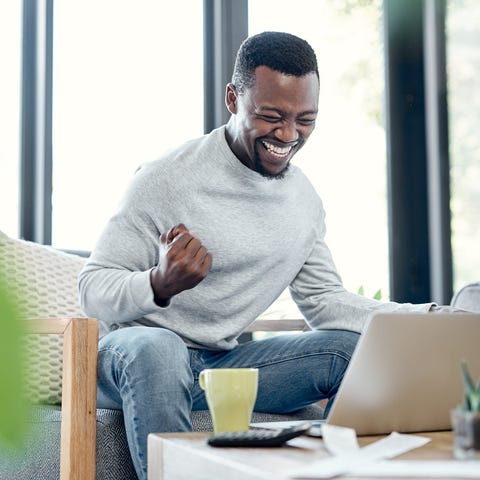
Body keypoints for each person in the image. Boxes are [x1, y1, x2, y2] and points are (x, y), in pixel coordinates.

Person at [79, 31, 437, 480]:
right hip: (134, 360)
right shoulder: (166, 178)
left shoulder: (303, 201)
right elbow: (91, 287)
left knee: (346, 351)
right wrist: (158, 283)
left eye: (305, 119)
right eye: (271, 116)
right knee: (160, 346)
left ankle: (333, 474)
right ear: (233, 98)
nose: (288, 135)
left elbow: (324, 301)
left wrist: (430, 315)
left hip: (220, 368)